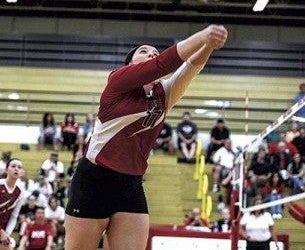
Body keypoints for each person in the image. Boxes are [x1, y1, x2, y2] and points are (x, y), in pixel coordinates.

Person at [64, 24, 228, 250]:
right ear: (130, 64)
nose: (152, 53)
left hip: (131, 184)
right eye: (144, 51)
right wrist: (202, 36)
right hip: (95, 179)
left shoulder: (164, 93)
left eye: (155, 52)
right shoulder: (117, 81)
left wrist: (208, 45)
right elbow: (163, 64)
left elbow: (191, 67)